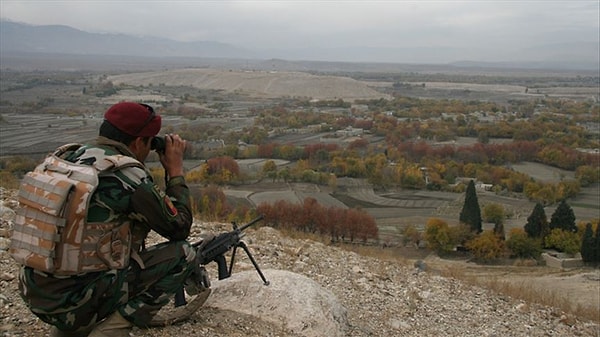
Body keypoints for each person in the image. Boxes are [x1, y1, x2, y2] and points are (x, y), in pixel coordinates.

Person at [17, 102, 197, 337]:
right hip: (79, 301)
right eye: (149, 143)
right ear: (138, 142)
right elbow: (179, 228)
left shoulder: (66, 157)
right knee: (184, 255)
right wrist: (175, 172)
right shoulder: (126, 176)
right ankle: (111, 331)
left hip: (34, 293)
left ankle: (69, 329)